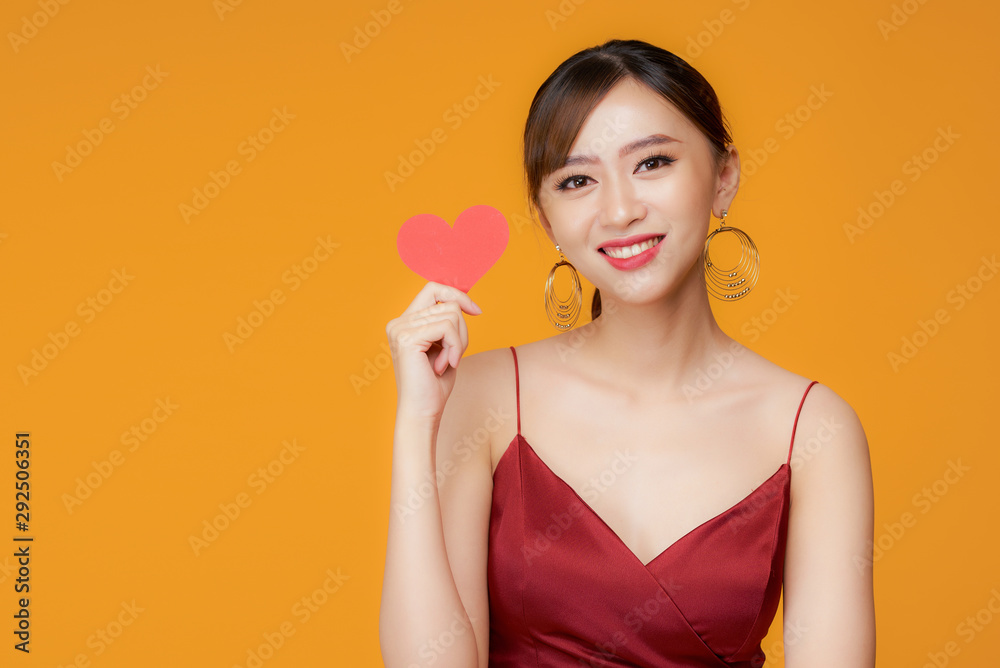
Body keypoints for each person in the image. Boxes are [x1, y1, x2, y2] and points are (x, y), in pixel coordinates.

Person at [379, 39, 875, 668]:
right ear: (547, 219)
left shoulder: (813, 428)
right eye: (577, 180)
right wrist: (416, 426)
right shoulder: (481, 396)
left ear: (725, 175)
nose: (619, 210)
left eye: (653, 163)